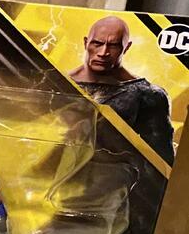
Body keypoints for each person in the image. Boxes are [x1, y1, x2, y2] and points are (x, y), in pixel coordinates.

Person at [69, 15, 175, 164]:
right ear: (86, 43)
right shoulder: (55, 80)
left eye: (113, 45)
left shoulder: (148, 94)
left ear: (126, 47)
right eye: (97, 43)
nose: (103, 52)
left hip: (110, 174)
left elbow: (161, 159)